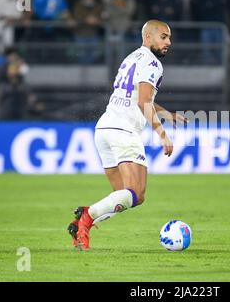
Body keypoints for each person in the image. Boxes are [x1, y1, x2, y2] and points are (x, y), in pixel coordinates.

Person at [67, 20, 188, 251]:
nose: (168, 42)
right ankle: (86, 217)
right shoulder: (153, 64)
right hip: (123, 131)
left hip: (104, 129)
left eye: (169, 38)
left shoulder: (132, 58)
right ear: (148, 37)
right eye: (164, 37)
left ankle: (81, 225)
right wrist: (162, 134)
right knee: (136, 194)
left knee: (122, 196)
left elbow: (139, 97)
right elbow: (143, 102)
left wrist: (166, 114)